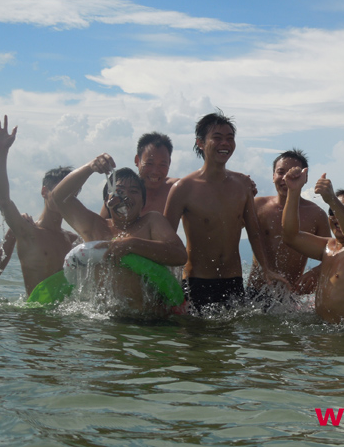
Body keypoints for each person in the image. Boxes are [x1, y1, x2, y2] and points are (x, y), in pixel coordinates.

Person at [164, 111, 286, 312]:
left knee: (230, 333)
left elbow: (254, 232)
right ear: (200, 143)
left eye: (230, 138)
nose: (225, 143)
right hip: (197, 281)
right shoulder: (183, 188)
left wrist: (267, 269)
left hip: (233, 280)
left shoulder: (242, 184)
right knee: (195, 333)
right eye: (217, 137)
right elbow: (166, 238)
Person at [52, 153, 187, 312]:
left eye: (134, 191)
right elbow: (58, 196)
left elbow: (180, 255)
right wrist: (90, 167)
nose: (126, 196)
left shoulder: (151, 222)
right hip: (104, 317)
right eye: (119, 191)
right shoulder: (95, 225)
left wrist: (132, 244)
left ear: (143, 202)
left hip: (148, 318)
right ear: (106, 200)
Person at [0, 113, 78, 295]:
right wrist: (2, 153)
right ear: (44, 191)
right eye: (59, 191)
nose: (65, 198)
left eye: (70, 193)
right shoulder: (28, 231)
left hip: (66, 314)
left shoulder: (74, 241)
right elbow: (3, 200)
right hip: (35, 313)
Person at [282, 167, 344, 323]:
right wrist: (293, 192)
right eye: (332, 211)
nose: (337, 216)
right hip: (321, 330)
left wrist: (332, 200)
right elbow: (290, 236)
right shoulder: (328, 246)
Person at [247, 149, 330, 303]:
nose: (286, 177)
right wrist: (240, 198)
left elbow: (332, 254)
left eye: (294, 172)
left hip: (289, 296)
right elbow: (227, 230)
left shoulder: (316, 214)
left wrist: (316, 272)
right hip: (255, 291)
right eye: (281, 172)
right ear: (273, 176)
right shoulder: (257, 206)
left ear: (305, 178)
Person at [100, 132, 178, 217]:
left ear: (169, 163)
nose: (155, 171)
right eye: (149, 164)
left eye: (162, 165)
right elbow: (100, 224)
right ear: (137, 160)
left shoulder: (176, 189)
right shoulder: (121, 191)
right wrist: (90, 168)